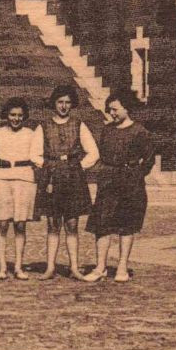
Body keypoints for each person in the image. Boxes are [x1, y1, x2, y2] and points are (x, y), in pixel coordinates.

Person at [82, 92, 156, 283]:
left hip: (130, 184)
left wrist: (135, 176)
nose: (112, 113)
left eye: (115, 109)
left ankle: (122, 266)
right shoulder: (107, 130)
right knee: (102, 225)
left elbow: (148, 161)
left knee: (126, 226)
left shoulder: (140, 132)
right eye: (110, 110)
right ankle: (100, 267)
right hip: (107, 181)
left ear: (126, 108)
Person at [36, 84, 99, 278]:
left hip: (73, 179)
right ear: (54, 104)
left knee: (72, 225)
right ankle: (50, 268)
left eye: (67, 103)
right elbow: (35, 154)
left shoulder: (79, 125)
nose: (64, 106)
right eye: (60, 102)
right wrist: (49, 166)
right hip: (52, 179)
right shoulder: (43, 126)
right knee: (53, 224)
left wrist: (79, 166)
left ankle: (73, 267)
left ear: (72, 105)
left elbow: (93, 153)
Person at [0, 97, 44, 280]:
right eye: (12, 114)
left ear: (24, 116)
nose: (16, 118)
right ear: (6, 115)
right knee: (2, 223)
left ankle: (18, 267)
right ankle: (2, 267)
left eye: (20, 115)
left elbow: (37, 156)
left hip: (24, 178)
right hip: (1, 178)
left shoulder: (31, 133)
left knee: (20, 224)